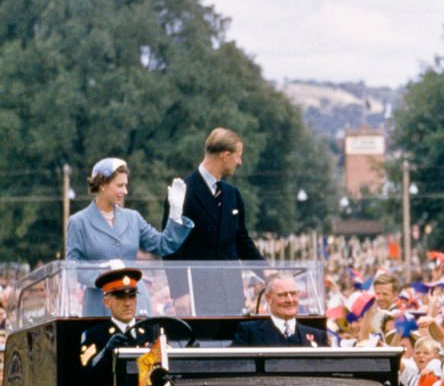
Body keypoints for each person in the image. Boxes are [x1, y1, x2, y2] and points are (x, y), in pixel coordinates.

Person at [67, 157, 193, 316]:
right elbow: (72, 266)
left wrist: (175, 214)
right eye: (120, 185)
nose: (125, 191)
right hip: (101, 306)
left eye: (125, 185)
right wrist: (101, 269)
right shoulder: (79, 222)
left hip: (135, 304)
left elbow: (163, 245)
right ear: (103, 184)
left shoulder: (133, 218)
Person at [165, 128, 264, 314]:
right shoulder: (183, 192)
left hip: (231, 294)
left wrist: (268, 273)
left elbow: (242, 241)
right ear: (226, 156)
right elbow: (172, 248)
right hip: (197, 294)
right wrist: (180, 293)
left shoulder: (233, 194)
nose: (239, 162)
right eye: (238, 156)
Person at [79, 267, 158, 386]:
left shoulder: (151, 332)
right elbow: (87, 376)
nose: (127, 303)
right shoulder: (94, 335)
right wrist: (106, 352)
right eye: (120, 297)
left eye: (132, 296)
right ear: (107, 302)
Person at [231, 274, 327, 347]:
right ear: (268, 298)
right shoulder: (249, 333)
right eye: (282, 295)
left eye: (293, 294)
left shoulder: (318, 336)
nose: (290, 300)